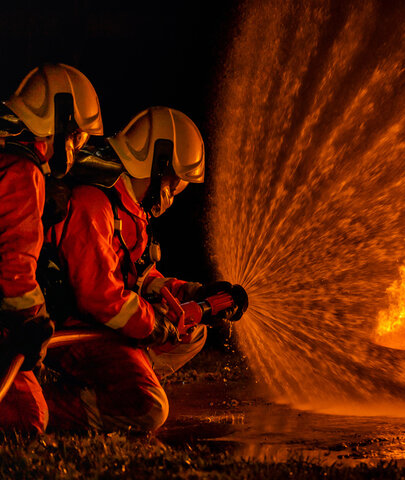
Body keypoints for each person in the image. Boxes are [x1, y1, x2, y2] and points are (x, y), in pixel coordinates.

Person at [43, 106, 245, 432]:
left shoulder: (130, 207)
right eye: (175, 180)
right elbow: (99, 296)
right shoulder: (94, 203)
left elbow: (140, 277)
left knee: (192, 331)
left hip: (104, 324)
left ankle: (125, 375)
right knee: (149, 410)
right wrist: (152, 324)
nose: (174, 191)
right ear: (158, 162)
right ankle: (46, 403)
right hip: (73, 330)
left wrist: (193, 294)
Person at [0, 64, 103, 434]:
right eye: (75, 136)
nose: (75, 148)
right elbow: (15, 270)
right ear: (58, 120)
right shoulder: (21, 171)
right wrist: (31, 324)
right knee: (30, 417)